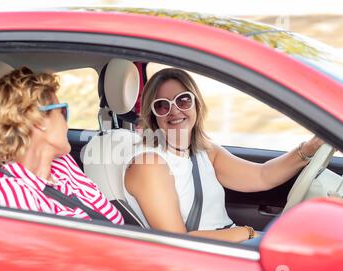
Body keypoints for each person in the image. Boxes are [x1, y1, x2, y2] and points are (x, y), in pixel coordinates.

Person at [123, 68, 323, 242]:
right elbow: (178, 242)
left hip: (231, 244)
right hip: (208, 258)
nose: (174, 111)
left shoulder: (204, 151)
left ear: (196, 105)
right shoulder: (149, 165)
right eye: (162, 105)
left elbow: (262, 175)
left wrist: (308, 149)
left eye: (183, 100)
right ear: (152, 114)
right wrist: (247, 232)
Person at [0, 67, 124, 225]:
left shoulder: (64, 164)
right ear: (38, 121)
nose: (66, 123)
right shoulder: (11, 195)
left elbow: (114, 220)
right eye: (62, 111)